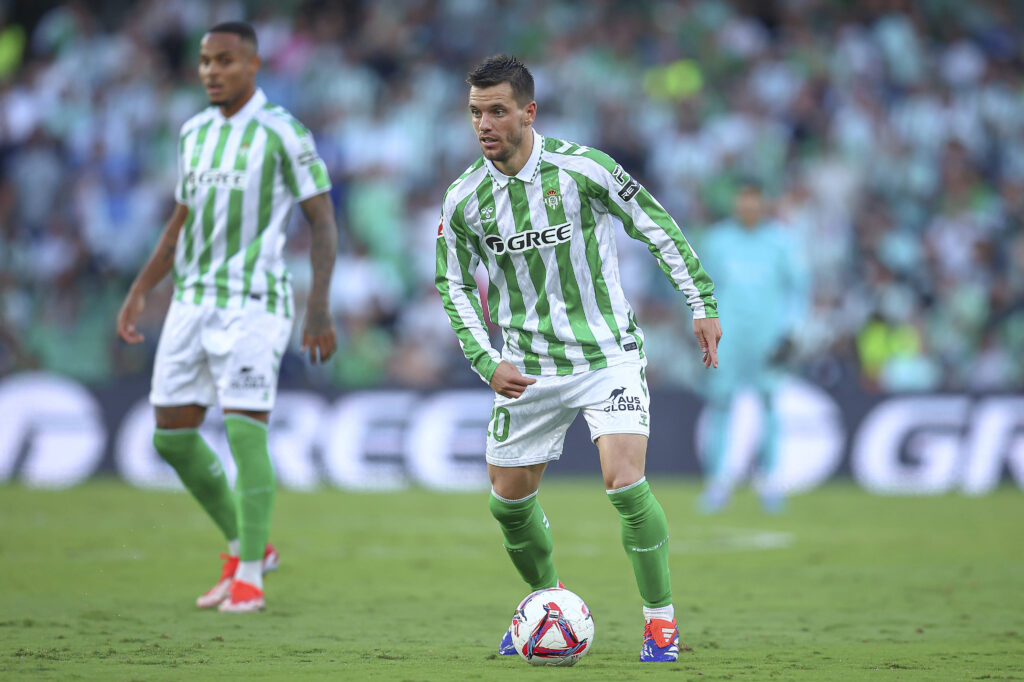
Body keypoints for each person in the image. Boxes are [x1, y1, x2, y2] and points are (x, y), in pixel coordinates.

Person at [435, 55, 721, 663]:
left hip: (605, 355)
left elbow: (654, 223)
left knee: (625, 482)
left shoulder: (584, 170)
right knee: (507, 502)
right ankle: (547, 606)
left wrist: (700, 300)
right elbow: (454, 286)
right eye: (476, 113)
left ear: (528, 112)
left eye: (497, 111)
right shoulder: (463, 200)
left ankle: (661, 625)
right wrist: (487, 362)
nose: (484, 124)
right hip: (526, 367)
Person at [116, 21, 338, 613]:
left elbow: (322, 220)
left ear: (254, 65)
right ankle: (250, 546)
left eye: (225, 60)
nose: (212, 71)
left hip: (255, 302)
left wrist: (317, 305)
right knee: (172, 435)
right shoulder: (192, 134)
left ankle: (248, 579)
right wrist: (142, 288)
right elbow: (180, 222)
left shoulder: (283, 132)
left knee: (244, 429)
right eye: (204, 61)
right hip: (192, 300)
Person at [696, 181, 810, 514]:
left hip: (768, 337)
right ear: (735, 204)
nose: (747, 208)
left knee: (771, 403)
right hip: (725, 337)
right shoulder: (717, 241)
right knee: (720, 403)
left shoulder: (782, 241)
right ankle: (717, 482)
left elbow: (798, 290)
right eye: (742, 202)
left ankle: (771, 482)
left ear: (763, 203)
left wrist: (792, 331)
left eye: (753, 202)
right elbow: (700, 289)